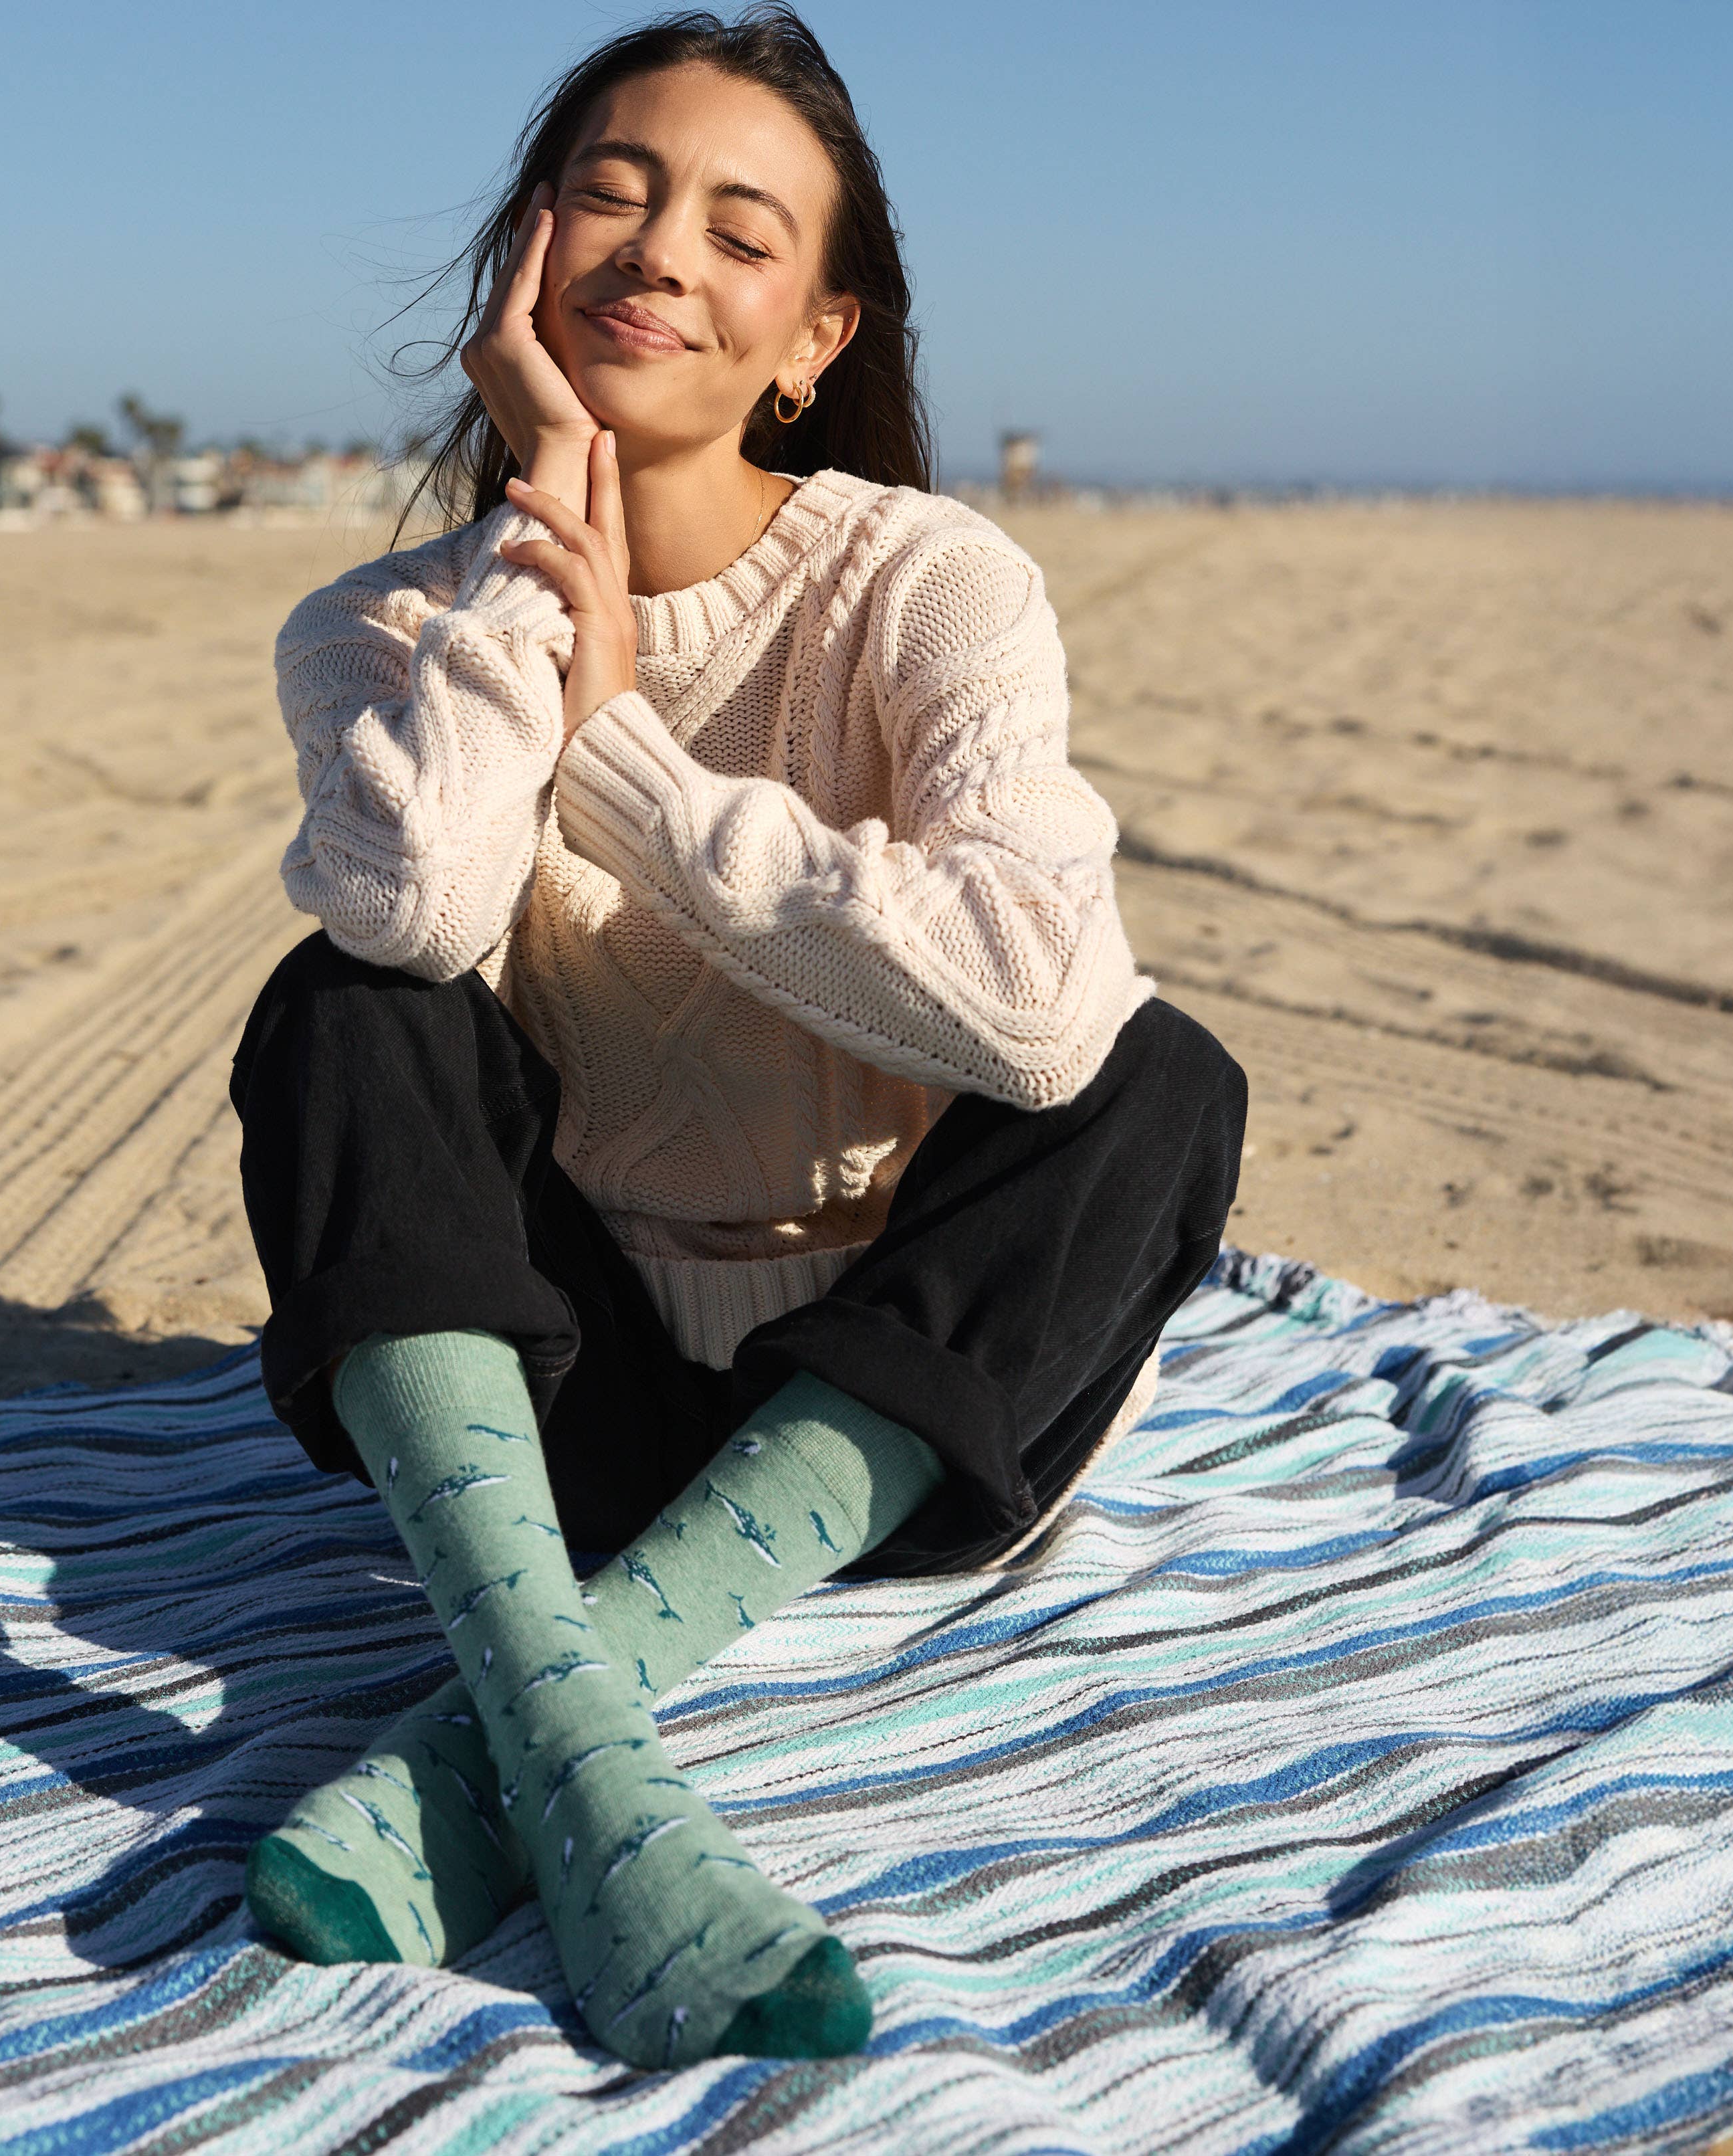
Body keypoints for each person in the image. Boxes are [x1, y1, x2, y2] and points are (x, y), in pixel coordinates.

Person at [230, 4, 1245, 2070]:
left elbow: (1037, 1022)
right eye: (611, 189)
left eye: (738, 228)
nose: (659, 249)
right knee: (344, 1001)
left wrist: (623, 758)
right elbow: (420, 905)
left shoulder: (928, 583)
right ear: (524, 255)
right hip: (566, 1404)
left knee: (1154, 1067)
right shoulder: (376, 632)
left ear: (814, 334)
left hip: (904, 1411)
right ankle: (598, 1775)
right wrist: (540, 550)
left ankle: (502, 1737)